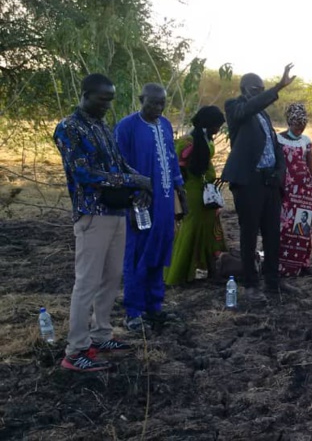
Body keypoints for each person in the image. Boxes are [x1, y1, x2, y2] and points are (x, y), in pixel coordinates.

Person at [54, 73, 152, 371]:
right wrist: (131, 179)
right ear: (85, 94)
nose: (107, 106)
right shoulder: (68, 128)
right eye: (102, 99)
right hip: (91, 213)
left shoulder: (101, 126)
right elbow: (84, 173)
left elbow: (117, 163)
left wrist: (138, 185)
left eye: (110, 100)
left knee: (110, 278)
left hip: (115, 211)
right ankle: (75, 351)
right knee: (87, 283)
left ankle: (101, 335)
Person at [115, 83, 187, 332]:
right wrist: (135, 193)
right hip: (140, 202)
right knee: (138, 253)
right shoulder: (127, 126)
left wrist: (180, 190)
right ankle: (133, 312)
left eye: (162, 103)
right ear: (141, 99)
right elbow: (120, 165)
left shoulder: (165, 125)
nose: (157, 107)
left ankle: (154, 306)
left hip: (166, 200)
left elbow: (172, 160)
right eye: (152, 102)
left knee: (159, 250)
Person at [222, 64, 297, 300]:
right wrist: (277, 88)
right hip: (248, 182)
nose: (262, 93)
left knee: (273, 234)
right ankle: (251, 285)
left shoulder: (263, 115)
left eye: (264, 89)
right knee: (249, 234)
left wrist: (279, 171)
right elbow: (249, 108)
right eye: (257, 88)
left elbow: (274, 147)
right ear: (244, 89)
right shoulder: (234, 107)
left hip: (270, 182)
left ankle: (273, 282)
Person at [165, 106, 228, 286]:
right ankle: (178, 275)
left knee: (208, 229)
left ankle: (209, 271)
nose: (218, 130)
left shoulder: (205, 138)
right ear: (209, 124)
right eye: (216, 126)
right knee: (191, 229)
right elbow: (179, 167)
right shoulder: (187, 141)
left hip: (206, 191)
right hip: (193, 191)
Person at [277, 103, 312, 276]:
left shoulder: (306, 141)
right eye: (297, 126)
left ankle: (303, 264)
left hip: (304, 191)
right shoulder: (278, 139)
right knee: (284, 227)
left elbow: (311, 167)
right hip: (285, 191)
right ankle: (283, 266)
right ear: (289, 122)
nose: (300, 129)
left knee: (302, 228)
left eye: (303, 126)